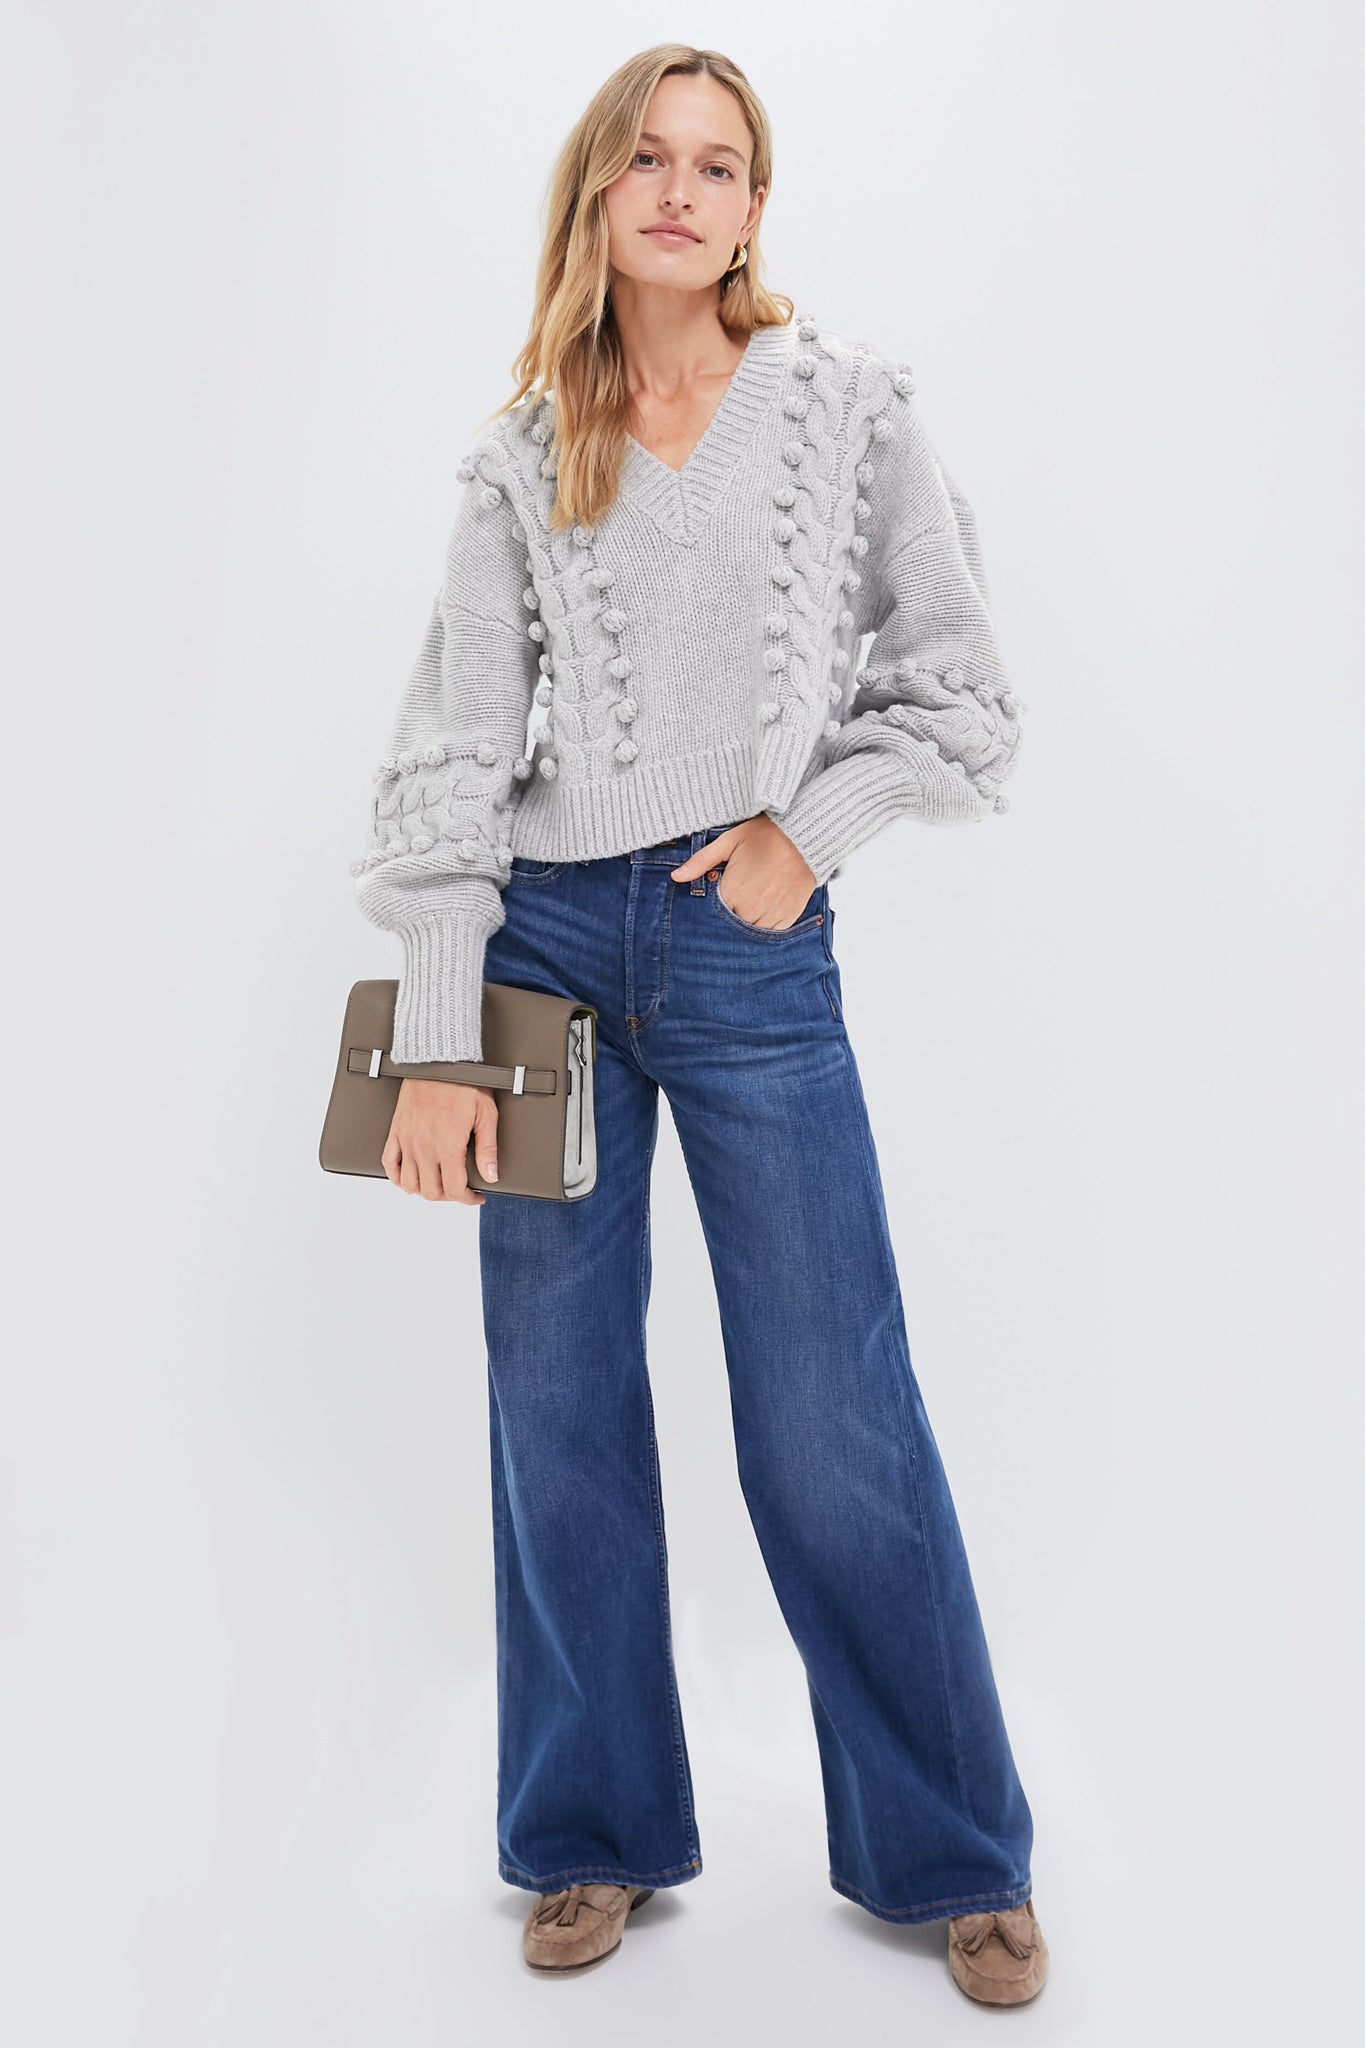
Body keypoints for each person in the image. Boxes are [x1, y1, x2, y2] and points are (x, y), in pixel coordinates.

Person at [348, 42, 1047, 2007]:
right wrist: (433, 1036)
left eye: (718, 164)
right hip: (540, 953)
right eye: (647, 157)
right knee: (554, 1407)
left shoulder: (844, 411)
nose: (680, 189)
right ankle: (587, 1834)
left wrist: (808, 837)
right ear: (598, 191)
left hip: (747, 952)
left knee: (832, 1413)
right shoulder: (521, 452)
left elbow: (959, 687)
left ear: (753, 208)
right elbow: (452, 747)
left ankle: (951, 1851)